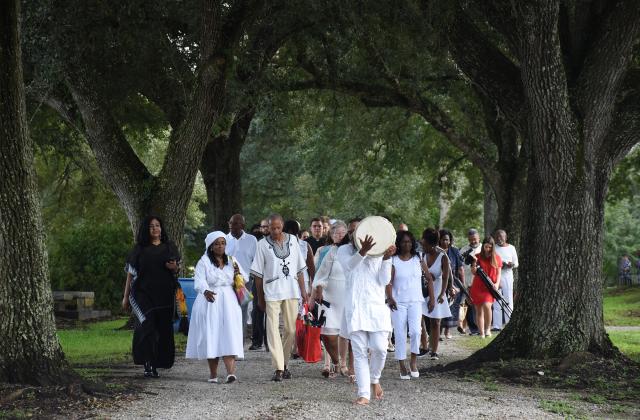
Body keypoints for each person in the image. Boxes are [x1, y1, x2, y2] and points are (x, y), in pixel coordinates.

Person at [251, 214, 308, 382]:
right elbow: (258, 275)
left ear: (282, 226)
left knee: (290, 329)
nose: (275, 231)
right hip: (271, 291)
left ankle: (284, 363)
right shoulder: (262, 245)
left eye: (278, 227)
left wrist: (304, 291)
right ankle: (278, 368)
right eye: (272, 228)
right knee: (272, 328)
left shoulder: (293, 241)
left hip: (291, 290)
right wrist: (260, 298)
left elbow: (299, 269)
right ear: (267, 227)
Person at [123, 215, 180, 378]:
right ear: (145, 230)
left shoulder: (169, 247)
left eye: (157, 225)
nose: (155, 228)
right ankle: (147, 363)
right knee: (147, 325)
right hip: (142, 294)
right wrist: (125, 297)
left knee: (162, 328)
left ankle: (158, 362)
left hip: (164, 294)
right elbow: (130, 275)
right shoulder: (139, 249)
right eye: (151, 226)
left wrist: (174, 267)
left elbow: (176, 269)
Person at [342, 233, 395, 406]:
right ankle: (364, 393)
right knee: (359, 353)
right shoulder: (344, 250)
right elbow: (349, 267)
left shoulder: (380, 252)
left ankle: (374, 379)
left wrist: (386, 259)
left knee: (380, 349)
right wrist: (363, 251)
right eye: (352, 231)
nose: (355, 235)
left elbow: (384, 280)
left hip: (376, 308)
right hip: (356, 309)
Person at [186, 231, 246, 383]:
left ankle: (230, 373)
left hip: (229, 302)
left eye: (223, 243)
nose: (221, 246)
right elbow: (199, 280)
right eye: (217, 243)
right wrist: (205, 290)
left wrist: (238, 275)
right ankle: (213, 374)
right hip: (210, 300)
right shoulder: (204, 261)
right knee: (212, 335)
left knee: (229, 334)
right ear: (211, 246)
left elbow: (244, 278)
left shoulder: (232, 260)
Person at [386, 231, 427, 379]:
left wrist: (434, 297)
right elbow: (388, 281)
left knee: (416, 331)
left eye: (409, 242)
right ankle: (402, 365)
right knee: (400, 333)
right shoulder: (393, 260)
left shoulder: (418, 258)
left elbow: (428, 276)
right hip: (398, 302)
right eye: (404, 242)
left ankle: (413, 362)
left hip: (416, 301)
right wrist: (390, 298)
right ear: (398, 243)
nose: (407, 244)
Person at [311, 221, 349, 378]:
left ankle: (344, 364)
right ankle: (335, 361)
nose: (339, 235)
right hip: (329, 297)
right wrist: (318, 289)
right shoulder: (329, 251)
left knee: (345, 334)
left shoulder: (353, 251)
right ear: (331, 235)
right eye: (335, 233)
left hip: (347, 297)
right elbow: (321, 273)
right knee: (328, 334)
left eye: (342, 233)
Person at [420, 228, 451, 360]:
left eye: (425, 244)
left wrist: (443, 293)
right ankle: (424, 345)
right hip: (423, 290)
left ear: (431, 244)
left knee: (435, 321)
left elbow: (445, 277)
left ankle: (434, 350)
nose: (423, 246)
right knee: (420, 319)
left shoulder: (443, 257)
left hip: (438, 289)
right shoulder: (422, 256)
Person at [226, 214, 257, 338]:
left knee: (242, 312)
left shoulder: (251, 240)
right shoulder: (223, 239)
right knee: (228, 311)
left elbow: (256, 261)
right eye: (230, 223)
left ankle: (240, 344)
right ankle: (229, 342)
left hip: (244, 282)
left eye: (235, 223)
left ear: (243, 225)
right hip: (226, 281)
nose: (231, 226)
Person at [469, 236, 502, 338]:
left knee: (487, 306)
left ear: (492, 247)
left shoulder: (497, 258)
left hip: (489, 286)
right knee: (478, 310)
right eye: (485, 247)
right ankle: (481, 332)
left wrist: (496, 284)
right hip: (478, 286)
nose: (487, 249)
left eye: (489, 247)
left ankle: (488, 329)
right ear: (483, 246)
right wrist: (474, 262)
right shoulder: (477, 256)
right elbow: (474, 272)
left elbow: (499, 274)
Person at [439, 229, 464, 339]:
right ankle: (438, 332)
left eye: (447, 240)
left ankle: (447, 331)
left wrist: (462, 285)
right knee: (440, 308)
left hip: (454, 282)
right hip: (439, 282)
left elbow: (460, 269)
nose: (445, 242)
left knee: (452, 307)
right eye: (443, 239)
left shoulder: (454, 251)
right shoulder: (436, 251)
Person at [492, 229, 518, 330]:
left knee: (508, 299)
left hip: (507, 276)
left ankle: (509, 323)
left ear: (505, 237)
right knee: (496, 301)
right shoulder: (494, 248)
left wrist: (511, 264)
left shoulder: (511, 248)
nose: (499, 239)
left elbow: (516, 263)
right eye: (497, 237)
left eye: (501, 237)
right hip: (496, 276)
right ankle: (496, 326)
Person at [459, 228, 482, 335]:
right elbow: (460, 265)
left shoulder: (484, 248)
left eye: (475, 239)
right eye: (471, 240)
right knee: (467, 304)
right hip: (466, 280)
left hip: (480, 280)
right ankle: (473, 329)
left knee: (480, 305)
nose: (473, 241)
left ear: (479, 238)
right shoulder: (463, 249)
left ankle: (482, 327)